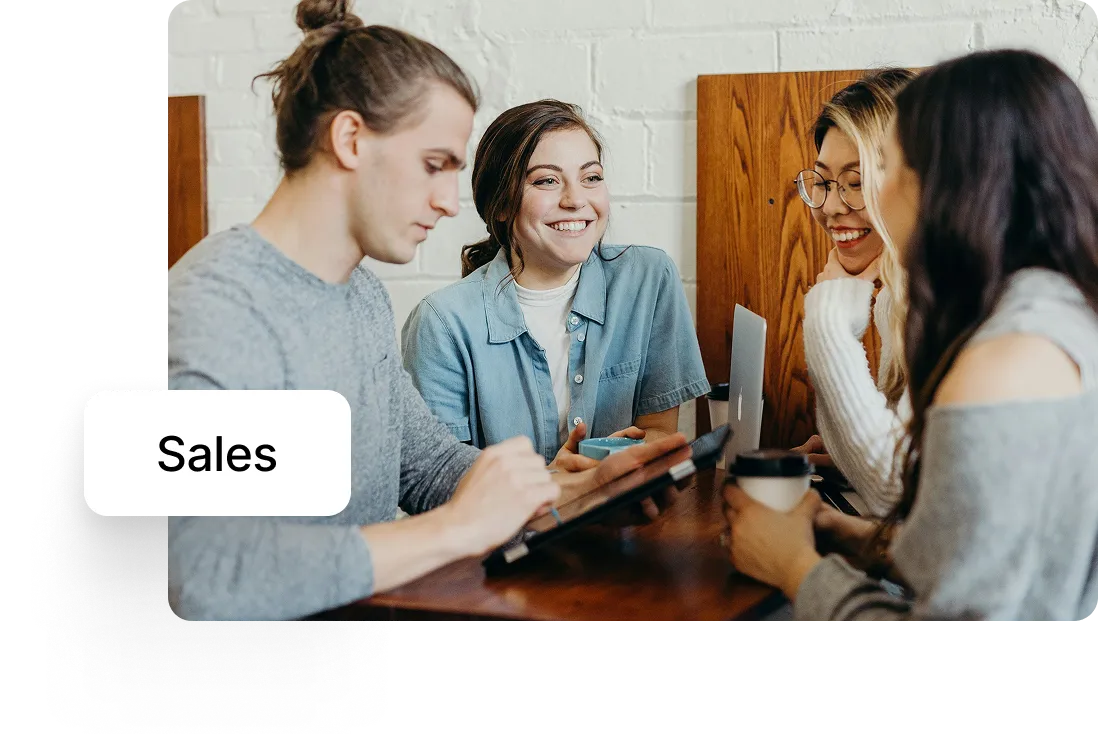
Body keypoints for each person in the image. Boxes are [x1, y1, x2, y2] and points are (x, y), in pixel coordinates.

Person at [167, 0, 687, 621]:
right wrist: (457, 530)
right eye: (433, 165)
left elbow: (431, 467)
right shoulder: (214, 307)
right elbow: (205, 574)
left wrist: (571, 495)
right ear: (350, 138)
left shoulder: (358, 295)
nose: (448, 202)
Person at [722, 49, 1098, 623]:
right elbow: (984, 558)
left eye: (888, 166)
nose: (865, 196)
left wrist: (795, 567)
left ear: (950, 184)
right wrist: (855, 538)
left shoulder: (1005, 359)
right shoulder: (1051, 312)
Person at [400, 100, 710, 471]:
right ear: (500, 204)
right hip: (509, 529)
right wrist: (557, 484)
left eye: (591, 177)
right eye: (546, 180)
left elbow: (658, 431)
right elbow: (441, 482)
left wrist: (610, 467)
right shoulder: (442, 323)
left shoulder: (648, 278)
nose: (576, 200)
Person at [790, 68, 917, 517]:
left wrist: (827, 319)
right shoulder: (897, 297)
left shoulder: (947, 302)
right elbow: (907, 471)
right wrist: (849, 453)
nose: (830, 206)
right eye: (822, 182)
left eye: (857, 182)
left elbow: (894, 494)